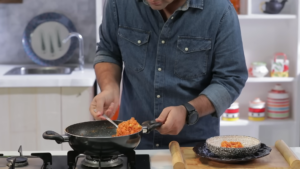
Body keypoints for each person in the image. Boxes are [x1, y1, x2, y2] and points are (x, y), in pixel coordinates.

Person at [90, 0, 248, 149]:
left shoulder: (220, 11)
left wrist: (188, 111)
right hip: (132, 141)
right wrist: (110, 87)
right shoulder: (119, 3)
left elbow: (230, 79)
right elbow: (108, 51)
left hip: (192, 147)